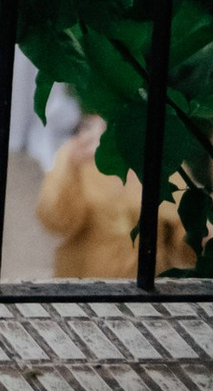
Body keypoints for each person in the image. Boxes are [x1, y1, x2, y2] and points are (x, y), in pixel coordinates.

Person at [35, 113, 195, 280]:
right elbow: (54, 222)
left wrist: (200, 237)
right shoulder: (78, 155)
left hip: (146, 285)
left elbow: (186, 243)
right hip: (82, 283)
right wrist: (70, 165)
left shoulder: (166, 165)